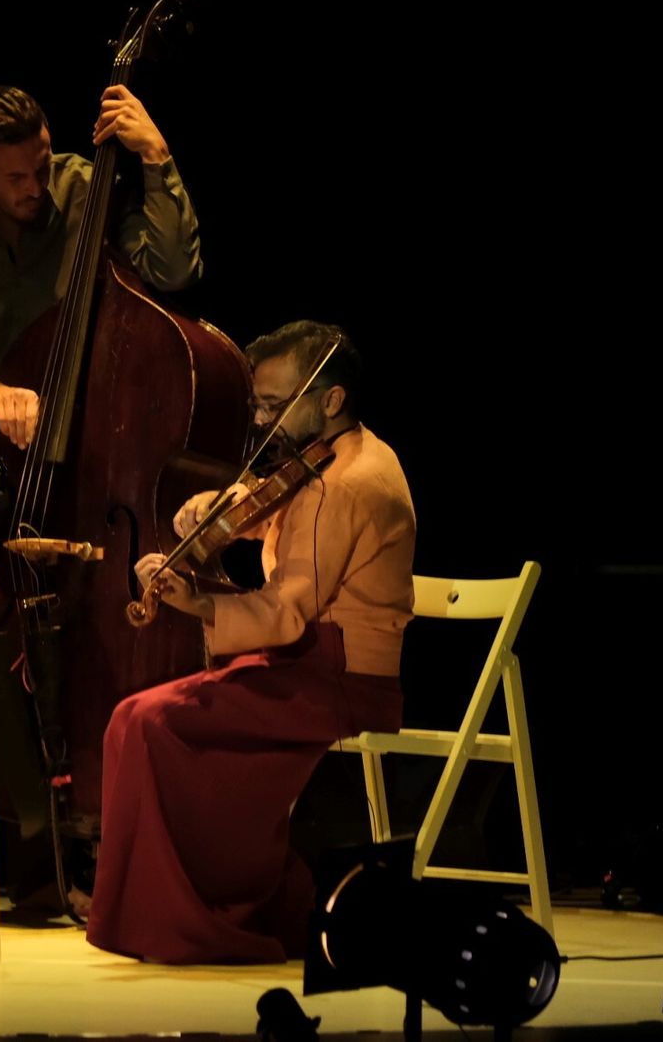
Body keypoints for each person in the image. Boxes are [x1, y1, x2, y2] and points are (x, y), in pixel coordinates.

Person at [84, 320, 416, 963]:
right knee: (135, 718)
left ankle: (204, 918)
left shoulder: (346, 484)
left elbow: (289, 612)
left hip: (336, 680)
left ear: (331, 399)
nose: (263, 420)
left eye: (276, 404)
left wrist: (200, 602)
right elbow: (276, 502)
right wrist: (215, 506)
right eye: (258, 404)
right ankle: (172, 911)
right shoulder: (333, 459)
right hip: (302, 665)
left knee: (149, 723)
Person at [0, 72, 202, 451]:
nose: (36, 188)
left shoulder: (85, 189)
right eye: (16, 178)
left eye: (43, 167)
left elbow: (173, 271)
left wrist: (156, 155)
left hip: (90, 438)